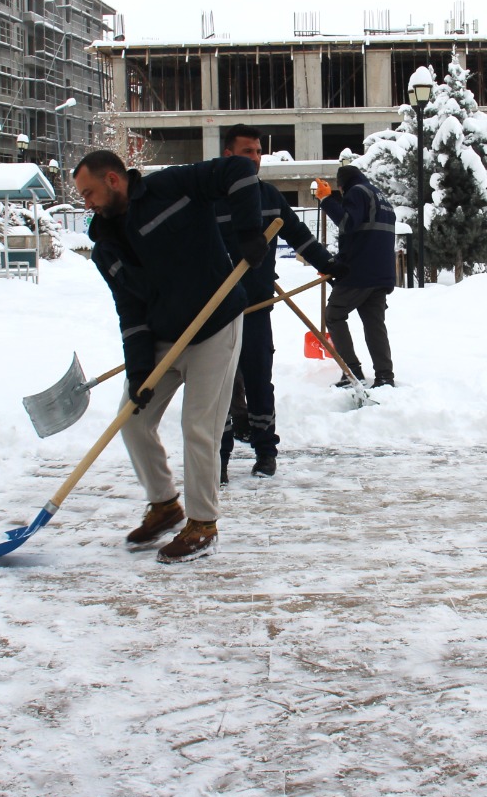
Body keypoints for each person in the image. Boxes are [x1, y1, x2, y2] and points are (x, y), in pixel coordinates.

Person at [74, 148, 264, 563]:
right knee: (133, 419)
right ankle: (164, 505)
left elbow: (238, 169)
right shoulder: (106, 247)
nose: (86, 204)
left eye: (88, 193)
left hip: (214, 325)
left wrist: (249, 230)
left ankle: (203, 524)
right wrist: (141, 369)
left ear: (112, 180)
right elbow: (130, 309)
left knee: (198, 426)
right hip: (164, 336)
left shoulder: (171, 187)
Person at [214, 126, 345, 483]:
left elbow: (299, 236)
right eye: (248, 151)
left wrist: (329, 265)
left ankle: (265, 453)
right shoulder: (211, 200)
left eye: (258, 152)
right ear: (228, 156)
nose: (255, 158)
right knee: (219, 387)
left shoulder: (268, 196)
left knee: (259, 382)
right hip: (216, 314)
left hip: (257, 308)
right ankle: (218, 458)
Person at [314, 162, 398, 387]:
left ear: (342, 186)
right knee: (374, 323)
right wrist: (335, 263)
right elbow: (365, 238)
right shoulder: (380, 197)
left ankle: (352, 372)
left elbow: (348, 224)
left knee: (334, 315)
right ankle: (385, 376)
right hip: (381, 273)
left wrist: (326, 200)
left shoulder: (357, 192)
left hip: (360, 273)